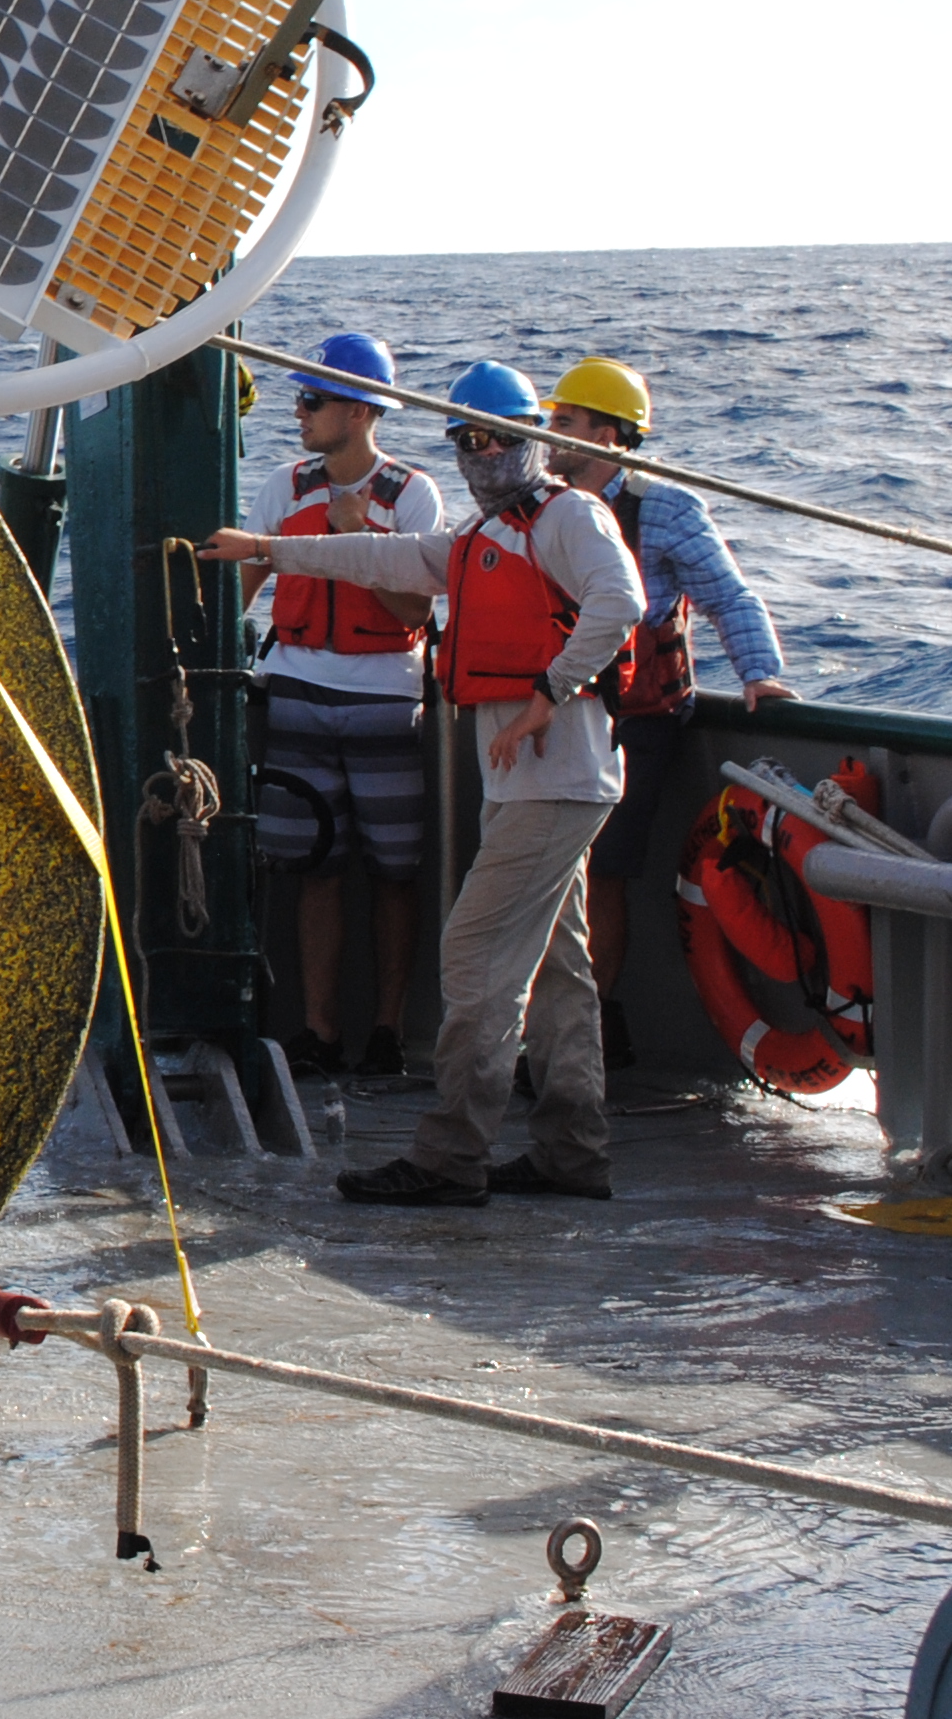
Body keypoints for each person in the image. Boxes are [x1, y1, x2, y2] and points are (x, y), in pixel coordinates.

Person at [201, 361, 643, 1207]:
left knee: (474, 954)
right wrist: (266, 549)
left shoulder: (567, 517)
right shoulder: (485, 537)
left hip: (557, 782)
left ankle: (451, 1156)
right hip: (543, 786)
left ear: (538, 443)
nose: (480, 454)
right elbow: (385, 553)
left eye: (497, 439)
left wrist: (545, 698)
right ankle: (572, 1149)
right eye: (465, 440)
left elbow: (617, 603)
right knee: (558, 965)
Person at [542, 356, 796, 1072]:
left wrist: (761, 675)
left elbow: (729, 597)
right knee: (555, 873)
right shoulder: (540, 506)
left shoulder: (663, 509)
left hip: (634, 724)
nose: (549, 436)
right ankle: (551, 1034)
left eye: (565, 422)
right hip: (551, 712)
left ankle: (582, 1037)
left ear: (611, 435)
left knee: (606, 873)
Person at [242, 332, 443, 1078]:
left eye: (312, 400)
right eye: (299, 398)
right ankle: (320, 1030)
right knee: (313, 865)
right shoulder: (282, 488)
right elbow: (247, 580)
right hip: (296, 691)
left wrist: (359, 541)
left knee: (396, 869)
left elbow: (413, 609)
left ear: (359, 413)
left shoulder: (412, 495)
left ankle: (387, 1029)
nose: (299, 413)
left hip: (386, 696)